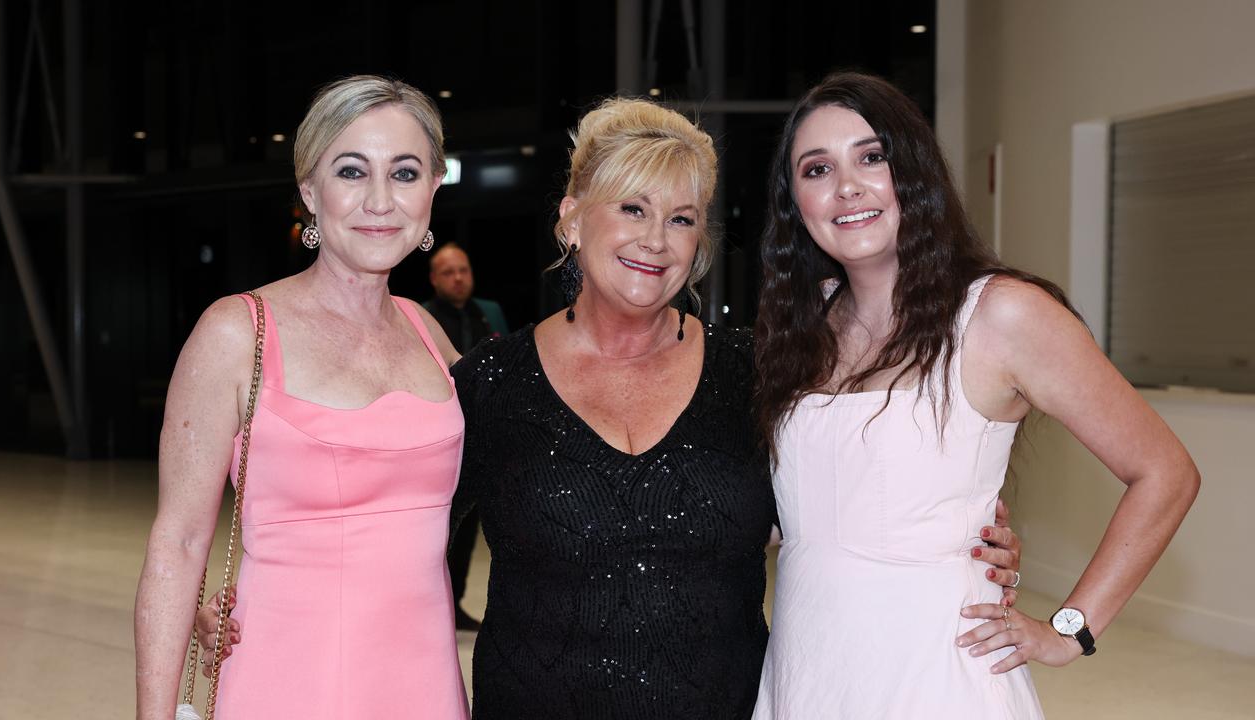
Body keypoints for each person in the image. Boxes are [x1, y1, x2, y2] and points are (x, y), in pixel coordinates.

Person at [195, 96, 1025, 719]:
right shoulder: (488, 383)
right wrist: (252, 596)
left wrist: (963, 531)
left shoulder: (757, 372)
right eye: (630, 207)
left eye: (681, 218)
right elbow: (389, 515)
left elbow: (846, 488)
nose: (654, 239)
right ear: (571, 218)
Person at [750, 72, 1200, 719]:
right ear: (795, 200)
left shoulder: (1002, 315)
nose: (846, 186)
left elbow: (1165, 472)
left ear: (914, 170)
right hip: (808, 671)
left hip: (938, 677)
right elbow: (800, 510)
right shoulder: (802, 330)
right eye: (816, 169)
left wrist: (1070, 629)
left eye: (871, 157)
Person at [133, 76, 468, 719]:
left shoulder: (429, 335)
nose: (379, 199)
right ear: (310, 190)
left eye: (404, 172)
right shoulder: (238, 332)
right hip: (286, 682)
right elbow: (177, 543)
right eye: (351, 170)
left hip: (423, 686)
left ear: (432, 189)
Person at [423, 242, 509, 631]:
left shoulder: (489, 312)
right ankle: (431, 605)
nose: (458, 278)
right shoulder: (423, 319)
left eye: (464, 270)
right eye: (448, 272)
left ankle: (455, 604)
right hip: (438, 437)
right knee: (437, 529)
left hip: (483, 435)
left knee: (474, 529)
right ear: (434, 279)